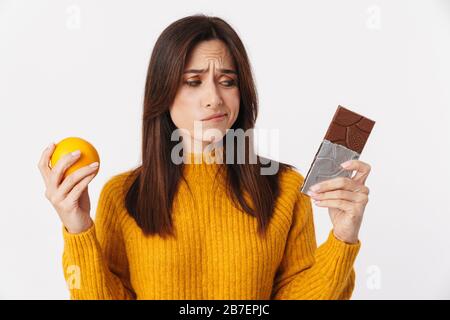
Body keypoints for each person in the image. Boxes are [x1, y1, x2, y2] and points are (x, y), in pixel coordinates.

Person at [38, 14, 371, 300]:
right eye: (193, 82)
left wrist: (343, 237)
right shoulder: (122, 195)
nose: (213, 98)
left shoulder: (285, 189)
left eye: (227, 81)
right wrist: (78, 227)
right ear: (163, 93)